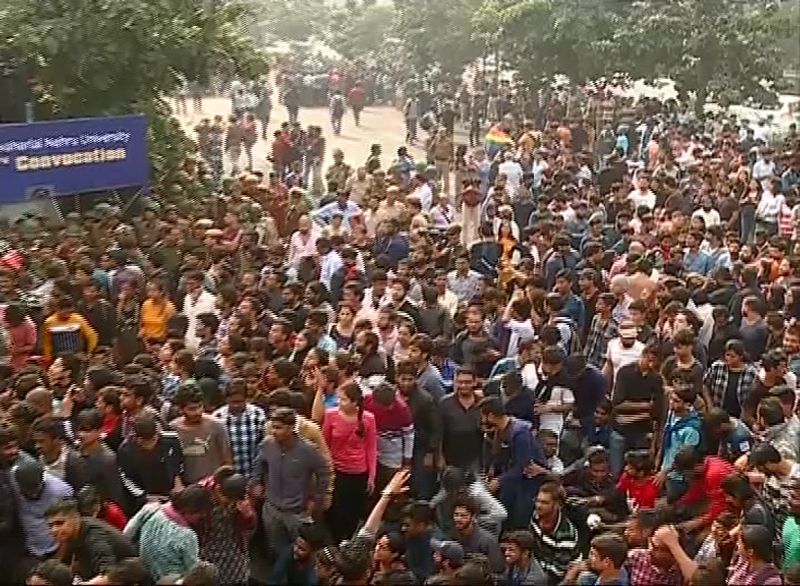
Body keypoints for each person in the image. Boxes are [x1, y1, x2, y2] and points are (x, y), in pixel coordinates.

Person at [250, 407, 330, 584]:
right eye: (273, 427)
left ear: (291, 427)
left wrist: (316, 500)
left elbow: (325, 473)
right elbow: (258, 465)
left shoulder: (308, 450)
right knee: (277, 550)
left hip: (297, 512)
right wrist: (256, 483)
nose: (274, 431)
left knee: (303, 554)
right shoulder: (267, 444)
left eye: (279, 428)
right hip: (271, 509)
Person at [322, 381, 377, 544]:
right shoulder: (331, 415)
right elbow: (324, 443)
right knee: (336, 513)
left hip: (358, 473)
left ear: (355, 402)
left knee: (354, 514)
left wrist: (371, 476)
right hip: (337, 472)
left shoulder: (368, 419)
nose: (340, 403)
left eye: (344, 399)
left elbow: (371, 448)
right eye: (339, 399)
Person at [123, 484, 212, 582]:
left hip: (145, 576)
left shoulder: (151, 510)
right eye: (200, 516)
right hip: (173, 580)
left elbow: (126, 534)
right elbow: (193, 569)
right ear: (191, 510)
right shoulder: (187, 536)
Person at [44, 497, 136, 581]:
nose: (54, 530)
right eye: (50, 525)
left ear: (76, 518)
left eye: (59, 523)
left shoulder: (94, 535)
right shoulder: (70, 533)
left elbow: (108, 574)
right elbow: (62, 563)